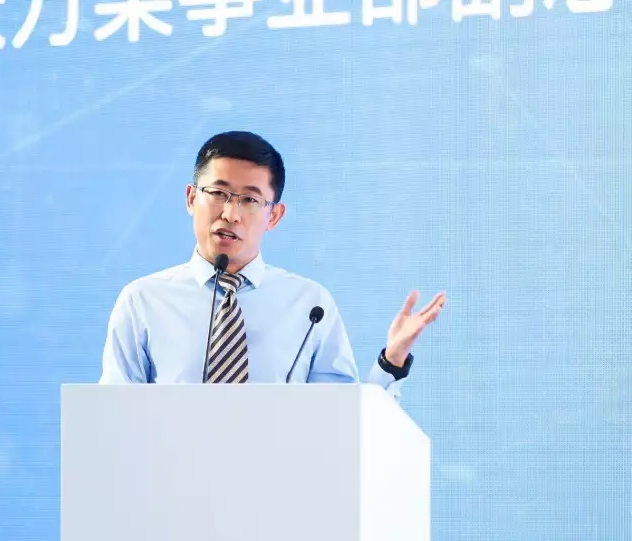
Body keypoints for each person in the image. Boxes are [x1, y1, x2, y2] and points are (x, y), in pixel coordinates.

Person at [99, 130, 445, 397]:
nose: (230, 213)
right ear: (191, 198)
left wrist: (391, 362)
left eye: (250, 200)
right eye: (217, 193)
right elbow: (113, 419)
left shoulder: (310, 306)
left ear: (274, 216)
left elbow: (342, 421)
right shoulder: (143, 301)